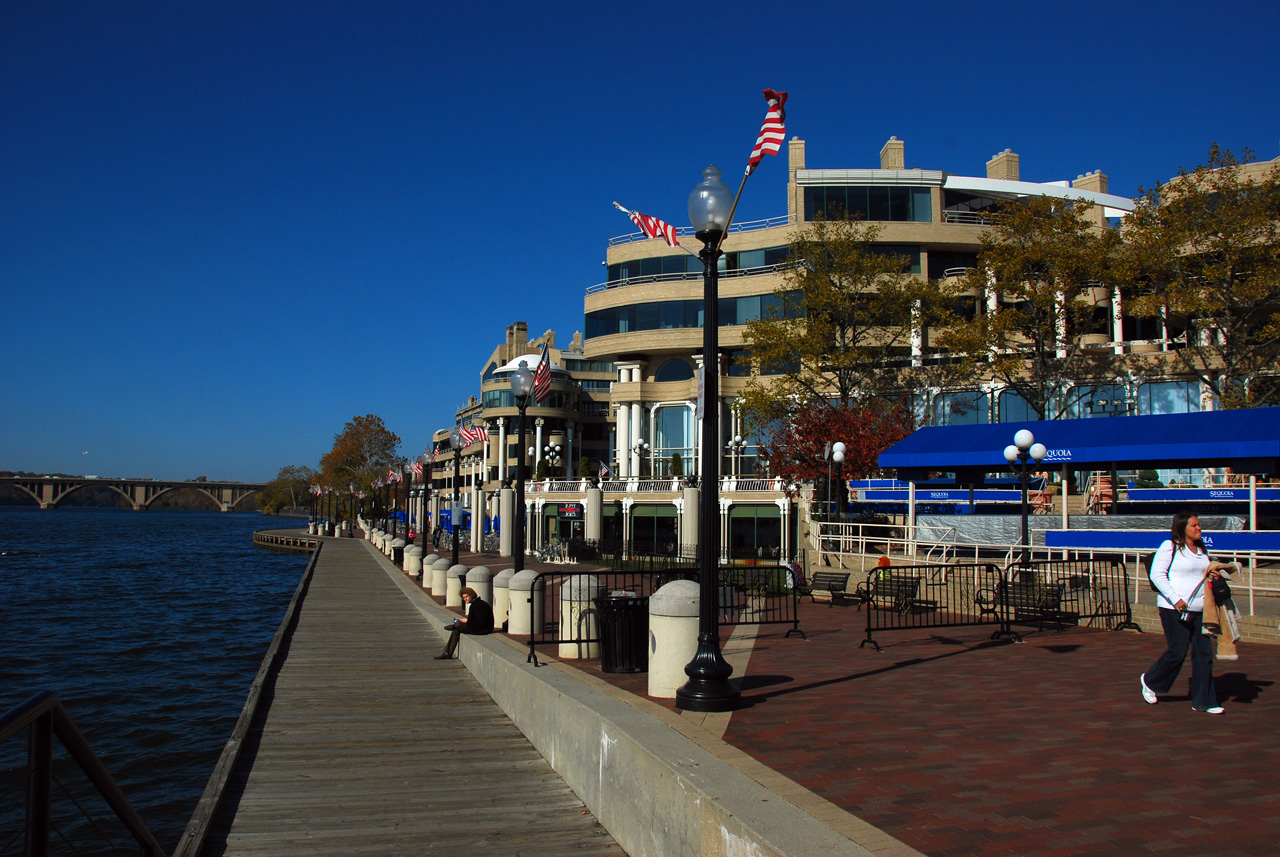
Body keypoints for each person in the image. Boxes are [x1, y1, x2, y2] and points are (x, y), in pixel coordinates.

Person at [1140, 511, 1234, 714]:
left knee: (1204, 655)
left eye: (1199, 525)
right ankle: (1151, 681)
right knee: (1177, 651)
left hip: (1201, 611)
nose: (1199, 528)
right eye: (1194, 525)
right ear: (1182, 528)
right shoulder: (1170, 547)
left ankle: (1205, 701)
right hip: (1173, 609)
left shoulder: (1201, 550)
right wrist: (1176, 599)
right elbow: (1157, 575)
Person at [435, 587, 494, 660]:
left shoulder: (478, 605)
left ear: (471, 595)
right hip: (481, 627)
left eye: (466, 597)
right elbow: (476, 620)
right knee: (457, 629)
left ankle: (454, 627)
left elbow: (480, 622)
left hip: (483, 629)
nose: (465, 599)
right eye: (464, 598)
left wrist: (468, 621)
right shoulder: (477, 603)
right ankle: (447, 653)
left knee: (458, 625)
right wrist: (468, 621)